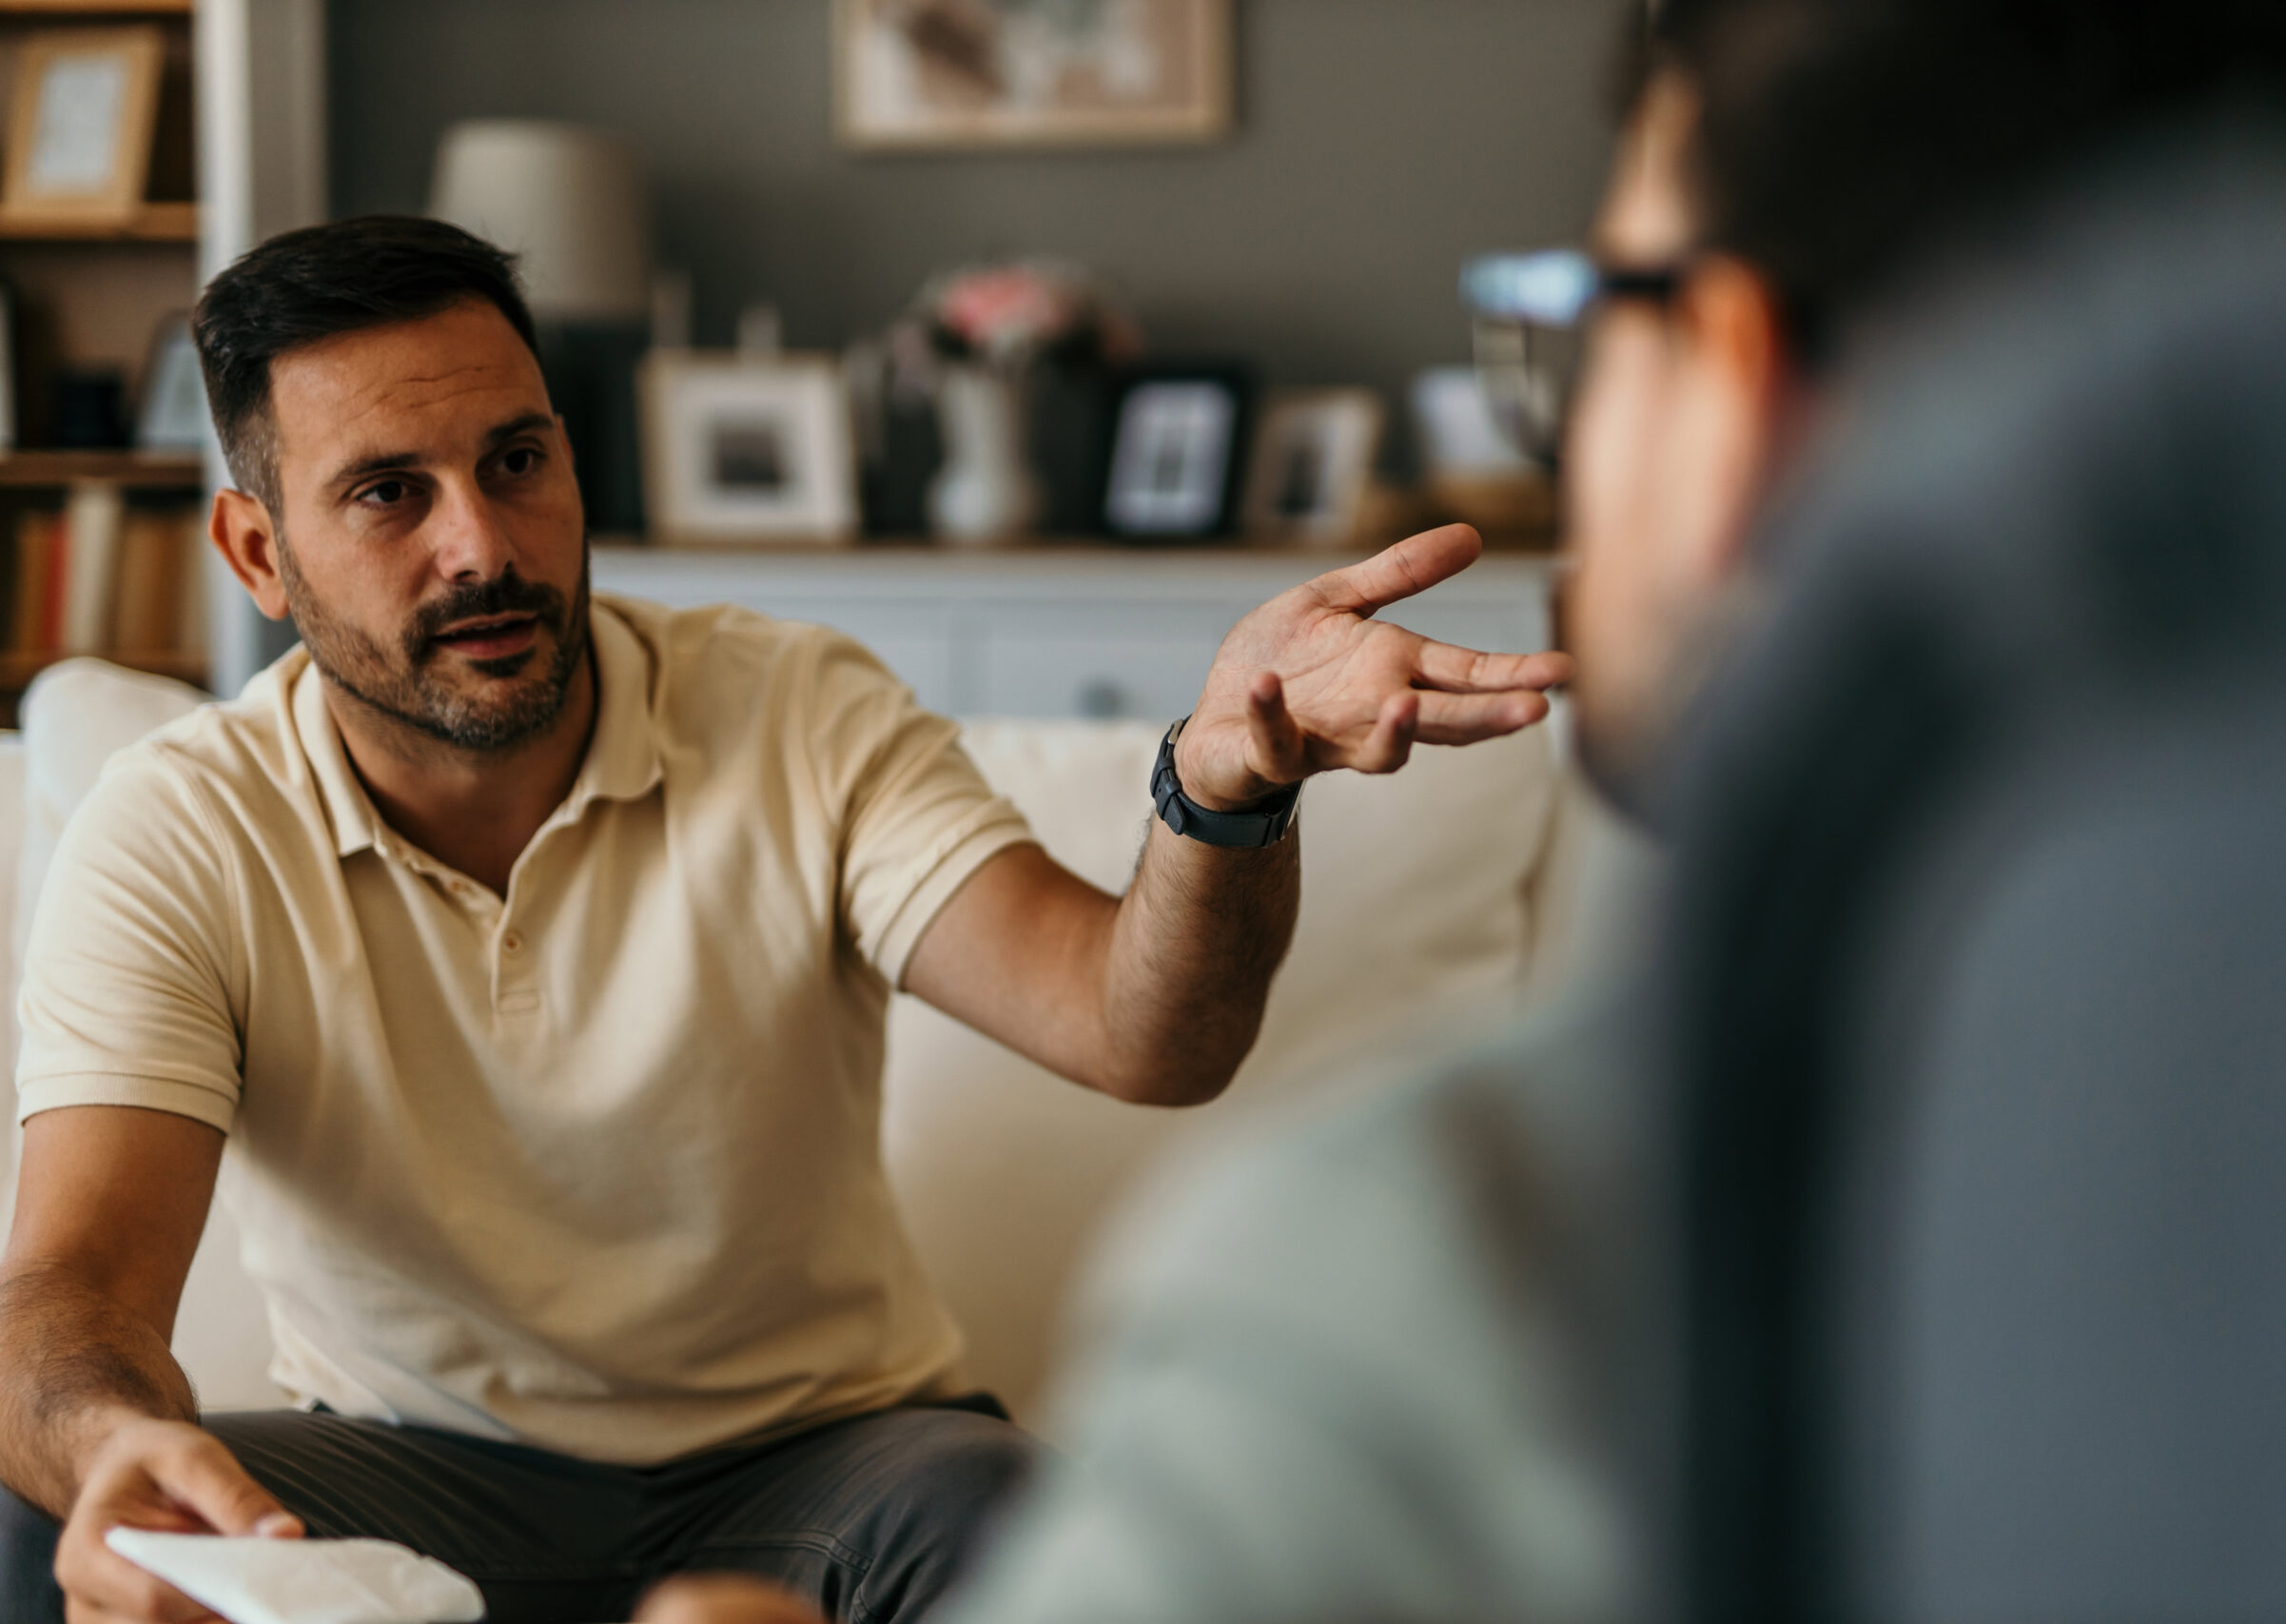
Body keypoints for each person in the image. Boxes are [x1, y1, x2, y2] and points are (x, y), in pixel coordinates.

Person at [624, 0, 2286, 1620]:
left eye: (1601, 319)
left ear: (1731, 384)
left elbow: (1125, 1027)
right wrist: (1220, 769)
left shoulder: (1448, 1278)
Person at [0, 217, 1572, 1624]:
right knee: (54, 1515)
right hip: (410, 1472)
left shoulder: (794, 710)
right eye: (389, 495)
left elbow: (1142, 1033)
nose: (481, 544)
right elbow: (71, 1295)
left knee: (1011, 1524)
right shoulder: (185, 823)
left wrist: (1222, 791)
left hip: (824, 1475)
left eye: (517, 461)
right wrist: (118, 1450)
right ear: (259, 553)